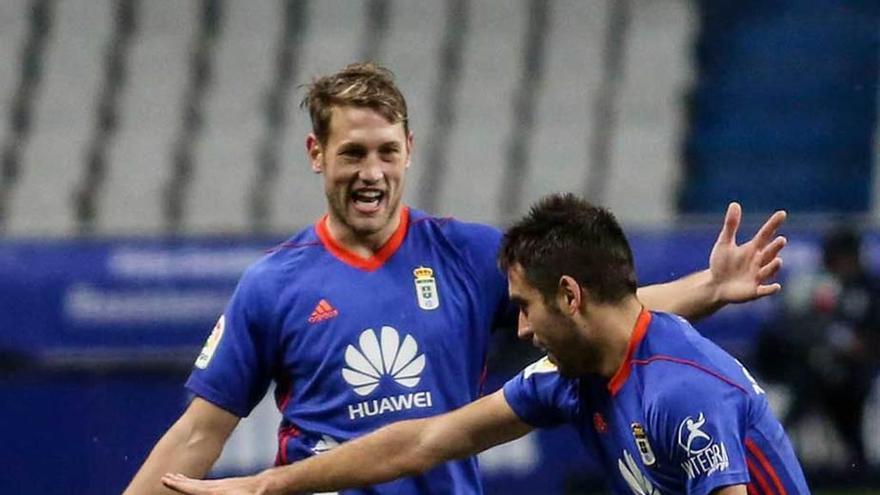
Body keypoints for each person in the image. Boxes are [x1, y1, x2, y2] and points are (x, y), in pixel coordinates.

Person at [125, 63, 787, 495]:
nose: (372, 171)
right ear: (316, 154)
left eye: (387, 151)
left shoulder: (466, 252)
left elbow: (600, 312)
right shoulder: (271, 284)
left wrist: (708, 286)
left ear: (409, 149)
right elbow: (197, 433)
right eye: (352, 152)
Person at [161, 194, 807, 495]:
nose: (520, 330)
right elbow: (426, 439)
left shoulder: (683, 390)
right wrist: (267, 486)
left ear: (572, 297)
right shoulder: (572, 374)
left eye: (525, 308)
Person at [758, 226, 880, 471]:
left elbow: (869, 339)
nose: (842, 263)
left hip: (859, 370)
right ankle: (779, 446)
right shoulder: (813, 283)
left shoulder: (869, 288)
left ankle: (859, 459)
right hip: (812, 366)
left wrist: (858, 346)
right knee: (810, 380)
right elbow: (790, 328)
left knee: (847, 388)